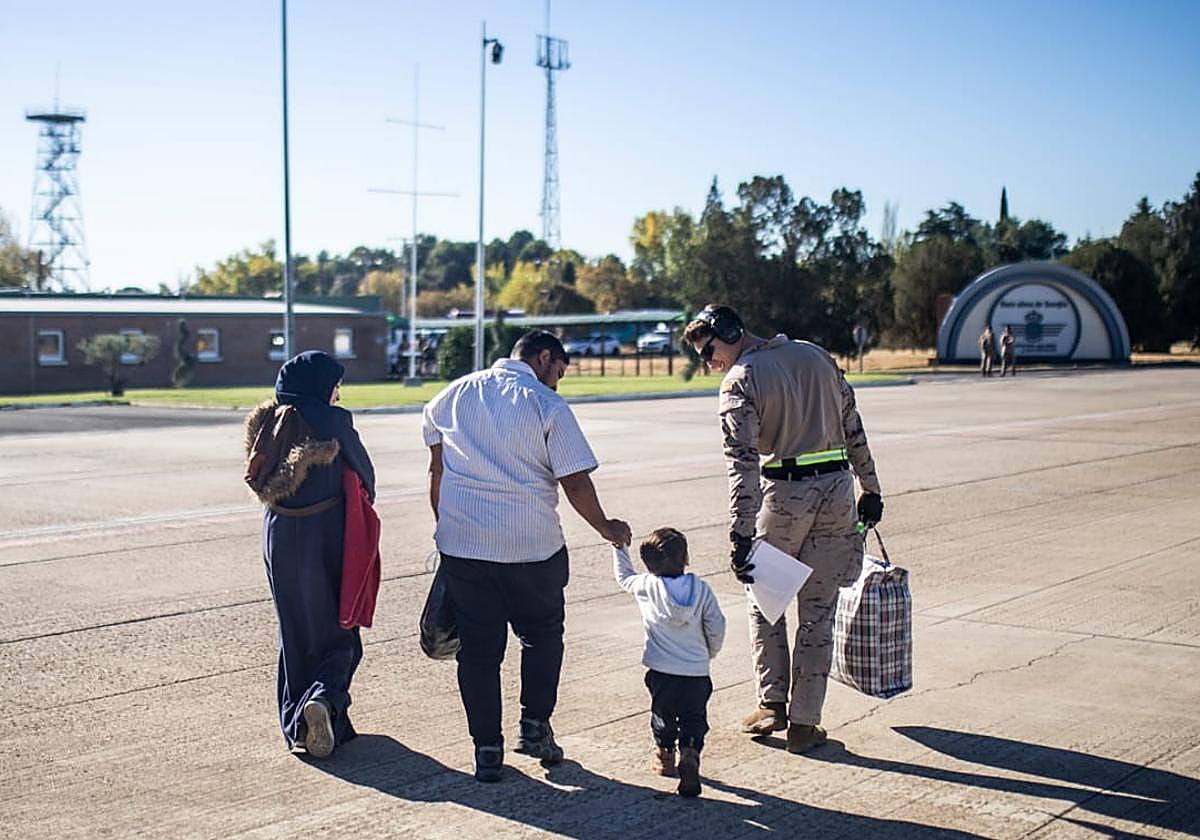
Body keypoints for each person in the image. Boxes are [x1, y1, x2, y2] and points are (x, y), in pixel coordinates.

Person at [422, 329, 632, 782]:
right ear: (542, 358)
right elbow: (575, 481)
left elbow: (437, 470)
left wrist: (447, 527)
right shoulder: (545, 404)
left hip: (465, 548)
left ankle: (487, 750)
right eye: (558, 370)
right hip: (532, 548)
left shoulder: (450, 396)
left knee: (478, 652)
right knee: (541, 636)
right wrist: (606, 527)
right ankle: (535, 727)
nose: (558, 381)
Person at [683, 304, 883, 754]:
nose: (708, 362)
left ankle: (772, 703)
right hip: (836, 492)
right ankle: (805, 725)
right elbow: (853, 425)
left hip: (786, 497)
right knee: (818, 612)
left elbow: (743, 465)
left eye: (709, 350)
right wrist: (870, 487)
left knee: (766, 602)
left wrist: (740, 531)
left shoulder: (740, 381)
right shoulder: (815, 355)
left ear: (731, 332)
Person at [243, 350, 376, 759]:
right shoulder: (333, 421)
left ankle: (300, 726)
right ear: (322, 385)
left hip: (278, 534)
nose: (338, 392)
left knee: (296, 630)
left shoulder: (269, 422)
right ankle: (323, 698)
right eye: (335, 384)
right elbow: (367, 478)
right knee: (340, 628)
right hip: (326, 532)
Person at [613, 528, 725, 798]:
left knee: (662, 714)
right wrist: (709, 653)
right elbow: (716, 626)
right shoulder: (701, 589)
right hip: (696, 671)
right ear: (685, 557)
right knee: (694, 717)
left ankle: (665, 757)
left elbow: (624, 578)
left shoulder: (647, 585)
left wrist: (619, 548)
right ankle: (690, 753)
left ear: (649, 564)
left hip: (662, 671)